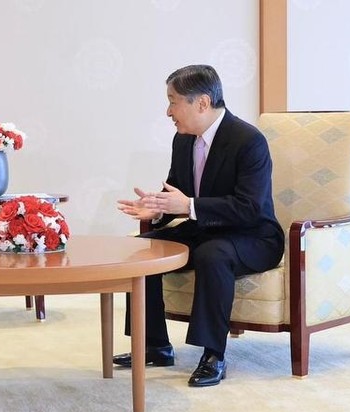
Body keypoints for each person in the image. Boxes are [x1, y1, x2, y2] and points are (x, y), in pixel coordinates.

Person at [115, 64, 284, 387]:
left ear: (202, 103)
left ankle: (213, 354)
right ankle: (155, 346)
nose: (168, 111)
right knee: (144, 249)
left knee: (213, 254)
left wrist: (189, 206)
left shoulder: (248, 141)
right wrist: (154, 207)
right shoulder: (183, 140)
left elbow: (249, 208)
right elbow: (177, 191)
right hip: (204, 229)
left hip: (253, 236)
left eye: (173, 101)